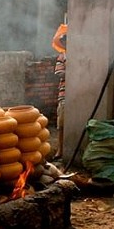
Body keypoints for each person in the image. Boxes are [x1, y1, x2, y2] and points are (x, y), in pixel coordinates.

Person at [52, 22, 68, 159]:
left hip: (78, 95)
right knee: (61, 124)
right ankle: (60, 150)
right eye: (64, 40)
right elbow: (59, 73)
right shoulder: (62, 57)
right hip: (64, 95)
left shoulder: (80, 56)